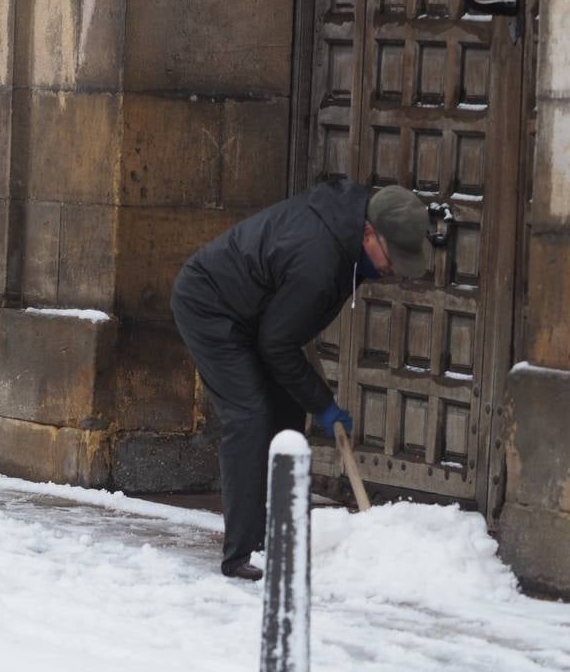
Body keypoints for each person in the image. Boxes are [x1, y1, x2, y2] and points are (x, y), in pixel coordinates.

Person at [171, 181, 431, 581]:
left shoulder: (348, 242)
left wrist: (311, 401)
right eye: (393, 257)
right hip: (211, 307)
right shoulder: (323, 259)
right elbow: (277, 345)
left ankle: (280, 532)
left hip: (255, 315)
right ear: (369, 233)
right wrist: (323, 404)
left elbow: (281, 333)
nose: (393, 269)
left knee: (287, 414)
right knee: (251, 418)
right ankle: (244, 553)